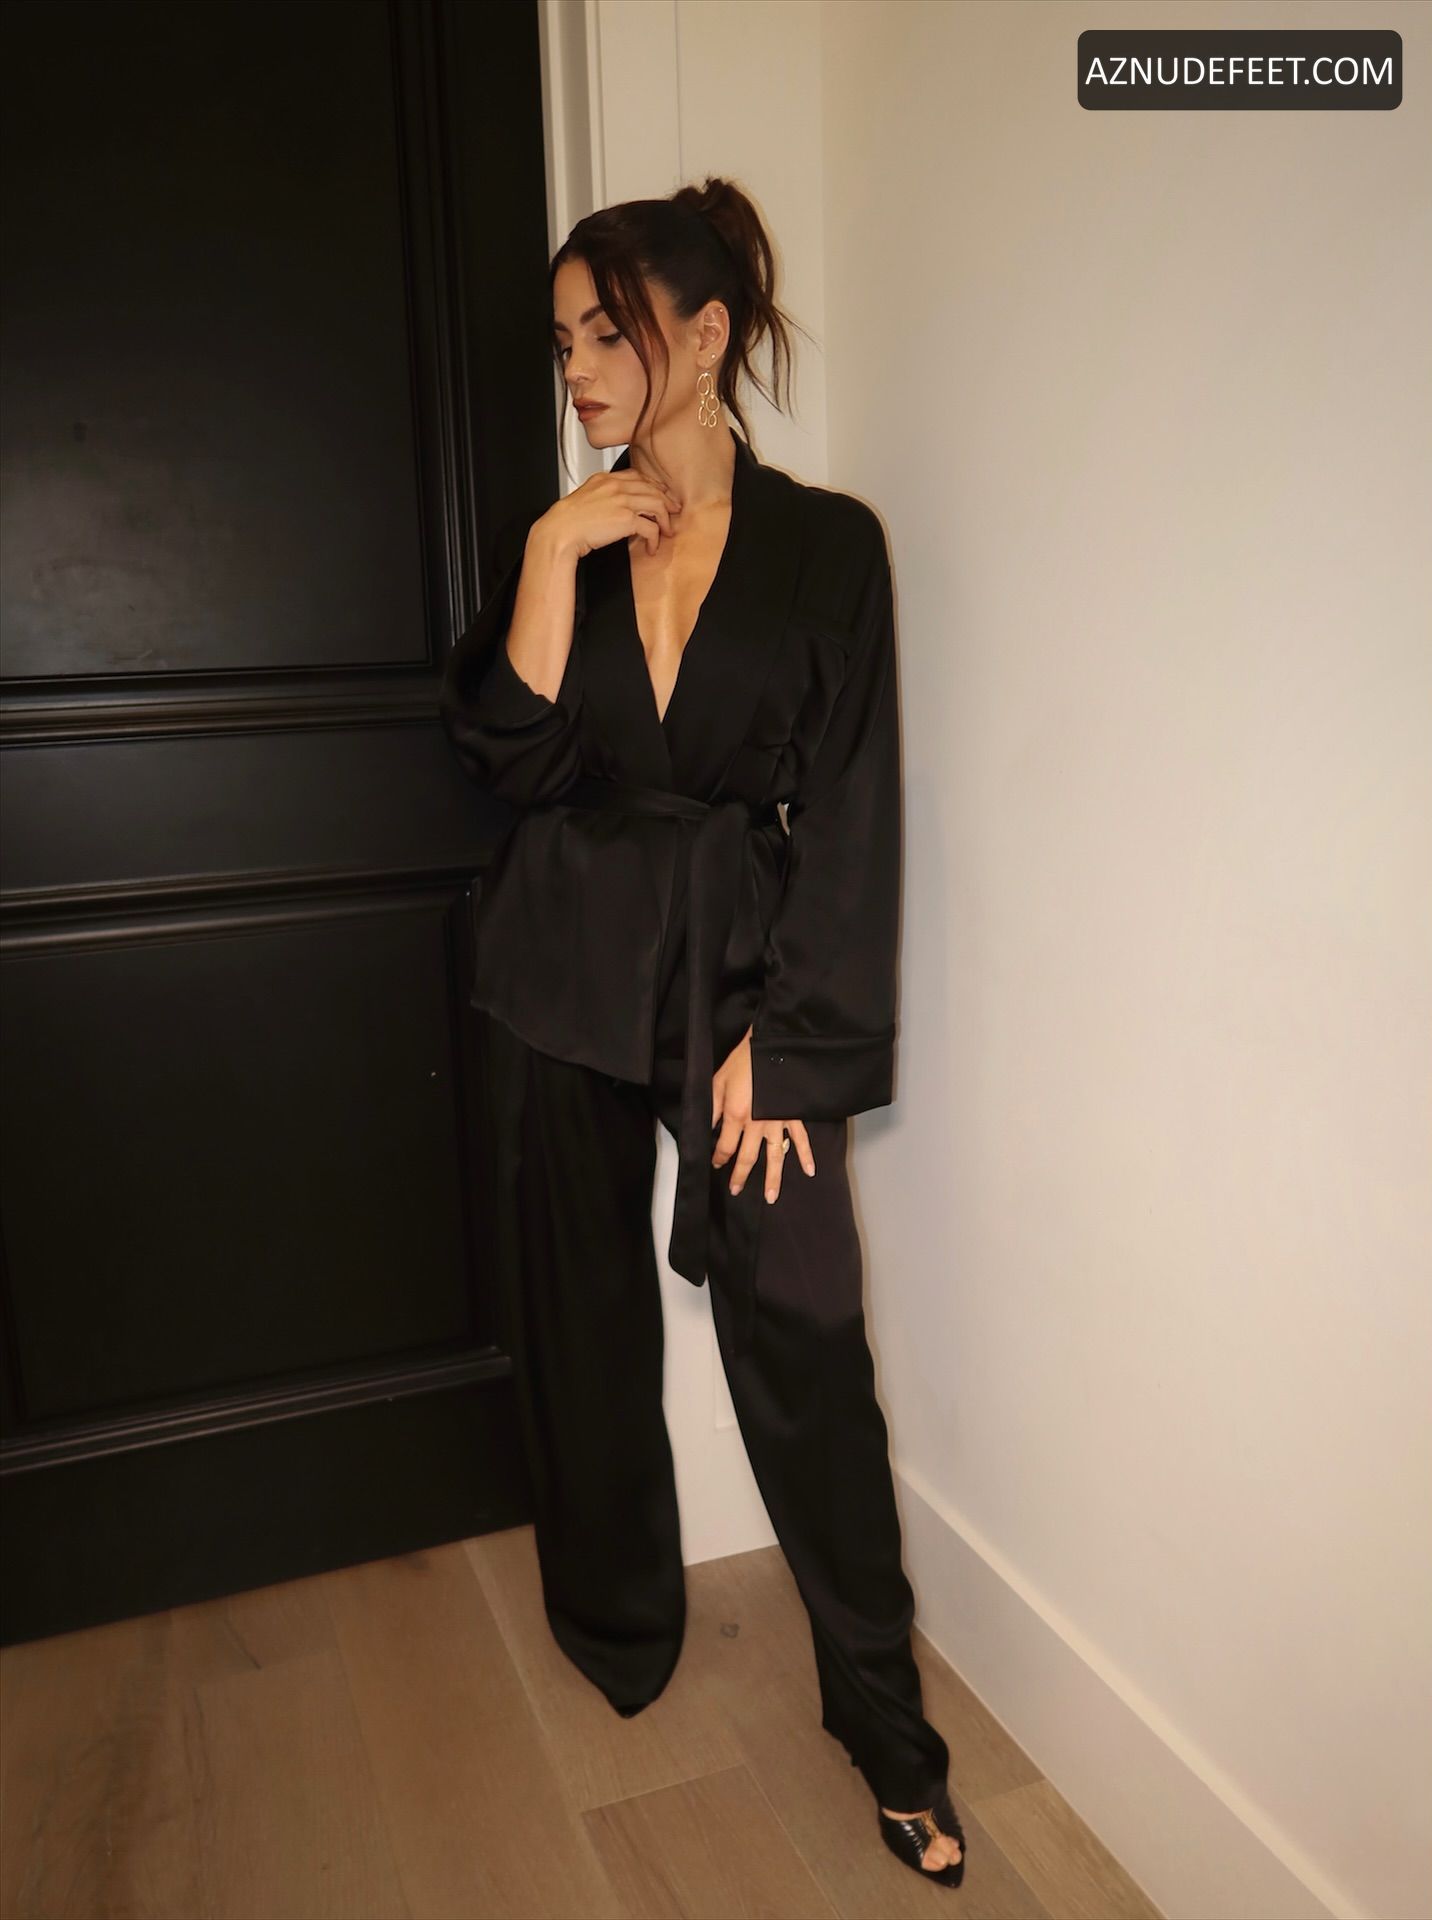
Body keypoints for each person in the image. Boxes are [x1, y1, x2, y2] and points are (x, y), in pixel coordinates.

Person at [439, 176, 965, 1891]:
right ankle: (616, 1628)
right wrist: (547, 552)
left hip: (739, 970)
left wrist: (792, 1045)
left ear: (709, 331)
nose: (581, 367)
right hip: (559, 966)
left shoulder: (828, 549)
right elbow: (511, 760)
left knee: (804, 1334)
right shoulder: (572, 537)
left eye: (610, 331)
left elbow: (855, 811)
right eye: (564, 342)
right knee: (576, 1320)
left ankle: (885, 1728)